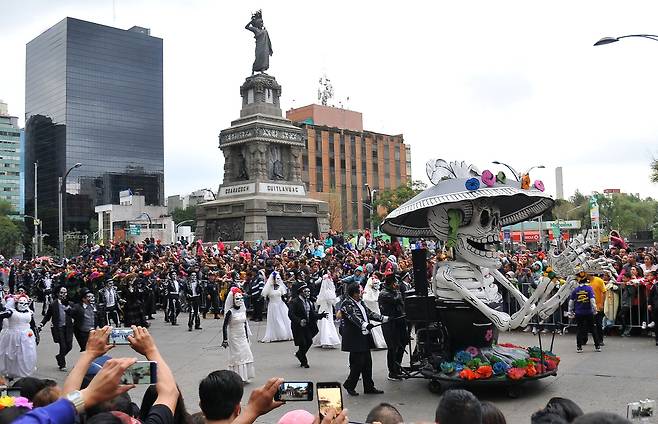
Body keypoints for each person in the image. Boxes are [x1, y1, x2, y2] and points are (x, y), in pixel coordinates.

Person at [340, 283, 388, 396]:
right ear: (354, 293)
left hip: (364, 336)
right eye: (360, 291)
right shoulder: (347, 303)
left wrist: (383, 318)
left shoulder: (360, 302)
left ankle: (369, 387)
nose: (362, 293)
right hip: (354, 337)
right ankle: (349, 384)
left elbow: (369, 313)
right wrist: (365, 325)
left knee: (367, 363)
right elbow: (353, 317)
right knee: (358, 363)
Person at [378, 273, 409, 380]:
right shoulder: (384, 293)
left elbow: (402, 303)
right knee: (393, 348)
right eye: (395, 282)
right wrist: (398, 291)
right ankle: (392, 372)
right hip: (390, 324)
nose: (397, 284)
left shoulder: (393, 292)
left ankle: (398, 367)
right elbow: (397, 300)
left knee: (402, 344)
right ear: (391, 283)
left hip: (399, 322)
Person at [288, 283, 327, 368]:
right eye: (305, 291)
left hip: (307, 326)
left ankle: (299, 354)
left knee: (309, 341)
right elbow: (291, 314)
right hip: (298, 326)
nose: (308, 293)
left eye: (309, 291)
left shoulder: (309, 302)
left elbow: (312, 314)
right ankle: (304, 361)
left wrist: (321, 315)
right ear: (301, 292)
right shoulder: (294, 302)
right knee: (302, 343)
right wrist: (299, 321)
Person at [0, 294, 38, 378]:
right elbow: (2, 315)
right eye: (21, 303)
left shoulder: (29, 312)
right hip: (13, 337)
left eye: (25, 304)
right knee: (12, 355)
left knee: (26, 354)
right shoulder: (11, 312)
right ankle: (10, 373)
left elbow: (32, 324)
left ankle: (24, 373)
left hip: (27, 337)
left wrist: (36, 334)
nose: (23, 305)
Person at [222, 288, 255, 383]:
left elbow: (245, 324)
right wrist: (225, 339)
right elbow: (224, 325)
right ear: (232, 300)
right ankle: (237, 377)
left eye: (241, 299)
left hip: (243, 336)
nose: (240, 301)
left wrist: (247, 337)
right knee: (238, 356)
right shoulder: (230, 312)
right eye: (237, 299)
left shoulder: (242, 310)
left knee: (246, 354)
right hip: (234, 336)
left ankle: (245, 376)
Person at [38, 287, 74, 371]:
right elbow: (47, 316)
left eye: (65, 293)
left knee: (69, 346)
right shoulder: (53, 304)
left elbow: (75, 313)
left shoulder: (70, 303)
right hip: (58, 328)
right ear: (58, 293)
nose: (63, 295)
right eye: (61, 293)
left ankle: (59, 357)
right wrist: (41, 324)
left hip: (68, 328)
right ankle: (62, 364)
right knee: (63, 346)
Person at [568, 273, 599, 353]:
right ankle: (597, 346)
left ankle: (579, 347)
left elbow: (571, 302)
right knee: (592, 328)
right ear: (587, 281)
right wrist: (595, 310)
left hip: (578, 312)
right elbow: (592, 300)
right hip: (588, 312)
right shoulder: (589, 289)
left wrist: (570, 312)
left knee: (579, 329)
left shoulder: (575, 290)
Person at [260, 271, 293, 342]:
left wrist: (287, 300)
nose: (277, 280)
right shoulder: (268, 288)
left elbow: (284, 296)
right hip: (272, 306)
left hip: (281, 305)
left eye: (278, 279)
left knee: (284, 319)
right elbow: (264, 296)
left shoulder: (281, 287)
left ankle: (285, 334)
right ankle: (278, 334)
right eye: (276, 279)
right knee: (276, 320)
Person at [313, 273, 341, 348]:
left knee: (322, 323)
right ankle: (327, 340)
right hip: (328, 309)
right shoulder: (329, 292)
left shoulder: (323, 291)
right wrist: (338, 299)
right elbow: (332, 302)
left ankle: (321, 339)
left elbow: (319, 301)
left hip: (322, 308)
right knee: (328, 323)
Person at [363, 273, 387, 349]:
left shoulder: (377, 292)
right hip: (372, 313)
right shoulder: (367, 293)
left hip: (378, 311)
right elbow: (367, 300)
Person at [587, 272, 607, 346]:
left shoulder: (599, 280)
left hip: (598, 306)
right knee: (587, 323)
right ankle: (584, 339)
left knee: (598, 324)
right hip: (588, 307)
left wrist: (602, 304)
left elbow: (604, 292)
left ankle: (600, 340)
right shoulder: (585, 282)